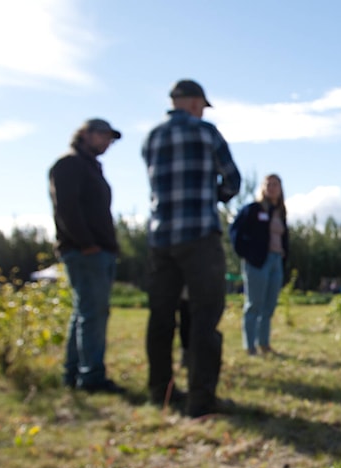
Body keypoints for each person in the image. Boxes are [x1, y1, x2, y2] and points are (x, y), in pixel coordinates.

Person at [142, 79, 241, 417]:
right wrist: (211, 196)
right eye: (202, 104)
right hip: (199, 236)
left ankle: (160, 391)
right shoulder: (206, 133)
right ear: (195, 102)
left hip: (160, 239)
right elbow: (233, 181)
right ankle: (201, 399)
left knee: (160, 317)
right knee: (204, 317)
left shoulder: (152, 137)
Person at [49, 118, 125, 393]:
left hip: (98, 251)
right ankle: (92, 377)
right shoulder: (69, 164)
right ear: (86, 134)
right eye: (104, 136)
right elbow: (67, 208)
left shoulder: (90, 166)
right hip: (84, 252)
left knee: (84, 313)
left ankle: (73, 373)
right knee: (92, 314)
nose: (108, 143)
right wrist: (86, 243)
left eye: (110, 139)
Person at [229, 174, 289, 355]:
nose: (272, 187)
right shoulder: (253, 209)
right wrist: (246, 254)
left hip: (276, 261)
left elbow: (284, 237)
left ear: (280, 188)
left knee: (269, 305)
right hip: (257, 262)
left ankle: (264, 343)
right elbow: (235, 231)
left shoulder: (280, 212)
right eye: (268, 184)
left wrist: (285, 255)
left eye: (276, 184)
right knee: (254, 304)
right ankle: (250, 346)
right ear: (262, 188)